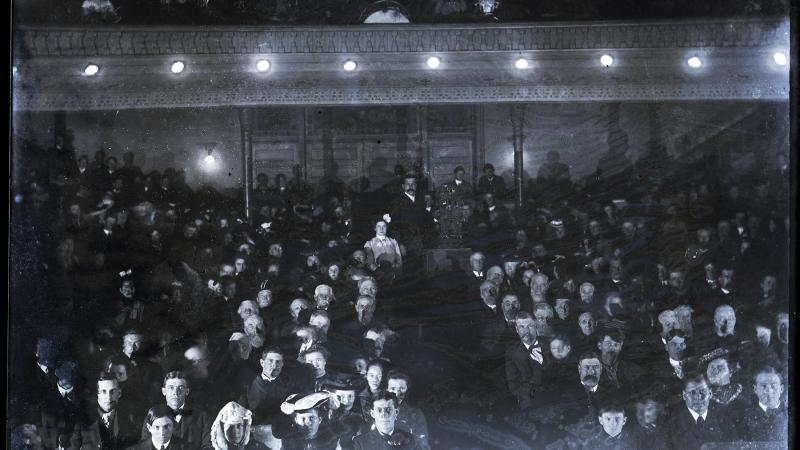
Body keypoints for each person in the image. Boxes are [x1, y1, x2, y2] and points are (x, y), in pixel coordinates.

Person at [140, 371, 211, 448]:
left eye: (180, 388)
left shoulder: (201, 417)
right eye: (171, 388)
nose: (176, 392)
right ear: (164, 391)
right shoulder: (152, 416)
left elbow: (208, 446)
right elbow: (145, 446)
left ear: (187, 391)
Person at [668, 373, 732, 450]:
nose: (698, 397)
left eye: (703, 391)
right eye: (692, 392)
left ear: (710, 393)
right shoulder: (673, 423)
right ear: (684, 395)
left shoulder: (723, 417)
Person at [78, 371, 139, 450]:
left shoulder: (130, 419)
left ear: (119, 393)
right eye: (103, 391)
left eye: (112, 391)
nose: (108, 397)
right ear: (97, 394)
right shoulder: (83, 420)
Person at [505, 311, 548, 409]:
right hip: (531, 402)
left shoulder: (550, 343)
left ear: (536, 326)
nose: (526, 331)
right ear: (516, 329)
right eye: (522, 327)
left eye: (530, 326)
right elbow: (513, 385)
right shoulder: (511, 352)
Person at [241, 347, 295, 426]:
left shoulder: (288, 384)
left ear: (282, 364)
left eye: (278, 362)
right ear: (262, 363)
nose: (274, 365)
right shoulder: (248, 384)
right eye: (270, 361)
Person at [735, 366, 788, 443]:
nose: (769, 390)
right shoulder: (744, 417)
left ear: (781, 389)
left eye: (773, 385)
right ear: (755, 389)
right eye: (763, 386)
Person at [352, 392, 421, 450]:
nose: (384, 414)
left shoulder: (411, 440)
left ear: (396, 412)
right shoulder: (359, 443)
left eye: (388, 409)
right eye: (379, 410)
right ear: (372, 414)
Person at [273, 392, 339, 450]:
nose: (307, 422)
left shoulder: (330, 439)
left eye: (311, 418)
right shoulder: (289, 440)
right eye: (303, 418)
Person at [386, 370, 430, 450]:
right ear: (387, 389)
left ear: (407, 390)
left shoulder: (415, 414)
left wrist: (406, 438)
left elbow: (423, 444)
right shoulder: (376, 411)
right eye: (393, 388)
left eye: (401, 388)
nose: (397, 393)